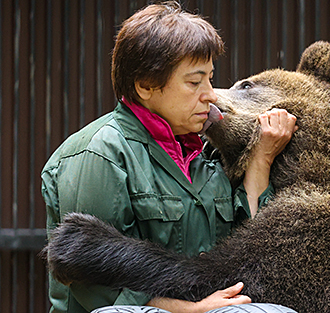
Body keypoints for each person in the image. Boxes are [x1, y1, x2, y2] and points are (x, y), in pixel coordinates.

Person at [41, 2, 297, 313]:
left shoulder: (204, 153)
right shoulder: (100, 152)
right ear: (146, 85)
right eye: (194, 82)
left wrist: (261, 159)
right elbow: (90, 278)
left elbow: (247, 250)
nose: (211, 94)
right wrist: (190, 310)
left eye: (210, 78)